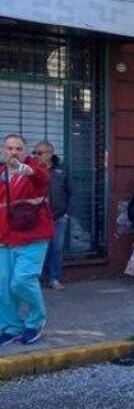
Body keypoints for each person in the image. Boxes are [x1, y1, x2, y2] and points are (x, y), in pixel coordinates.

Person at [0, 133, 54, 346]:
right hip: (5, 239)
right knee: (3, 286)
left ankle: (35, 321)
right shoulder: (2, 174)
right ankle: (11, 327)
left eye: (18, 148)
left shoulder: (35, 169)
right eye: (9, 148)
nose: (13, 152)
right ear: (3, 150)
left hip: (33, 237)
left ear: (25, 151)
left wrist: (22, 168)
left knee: (22, 280)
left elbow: (41, 178)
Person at [34, 142, 71, 290]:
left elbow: (71, 191)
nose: (36, 156)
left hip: (59, 216)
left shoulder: (62, 170)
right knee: (39, 248)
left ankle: (53, 278)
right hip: (38, 217)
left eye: (39, 153)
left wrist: (67, 212)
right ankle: (37, 278)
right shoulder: (32, 169)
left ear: (50, 153)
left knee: (56, 248)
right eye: (34, 153)